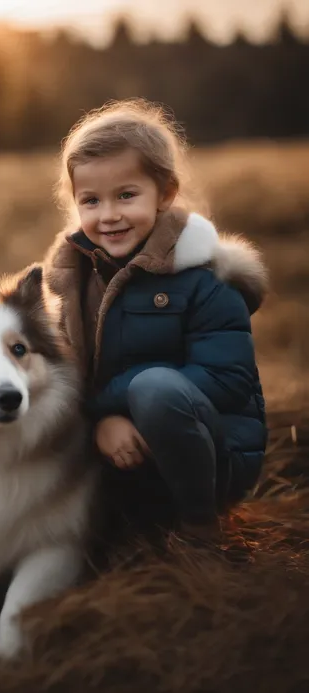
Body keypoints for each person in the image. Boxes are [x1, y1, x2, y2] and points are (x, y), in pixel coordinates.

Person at [42, 98, 268, 547]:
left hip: (209, 451)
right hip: (113, 448)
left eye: (127, 195)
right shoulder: (75, 279)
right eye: (91, 200)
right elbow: (65, 375)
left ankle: (200, 529)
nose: (108, 215)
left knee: (155, 388)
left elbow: (226, 377)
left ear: (165, 193)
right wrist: (96, 424)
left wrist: (108, 409)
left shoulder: (206, 277)